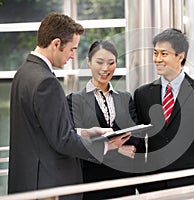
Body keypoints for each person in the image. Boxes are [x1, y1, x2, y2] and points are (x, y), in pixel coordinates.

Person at [8, 13, 130, 200]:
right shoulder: (46, 82)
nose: (73, 56)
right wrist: (106, 145)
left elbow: (43, 131)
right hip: (50, 189)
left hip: (30, 182)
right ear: (56, 44)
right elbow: (63, 140)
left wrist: (87, 133)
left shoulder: (23, 73)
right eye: (71, 49)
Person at [134, 28, 194, 193]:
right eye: (155, 53)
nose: (157, 59)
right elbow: (138, 138)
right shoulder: (142, 94)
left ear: (180, 56)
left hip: (191, 182)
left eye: (164, 54)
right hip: (153, 184)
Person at [66, 40, 145, 199]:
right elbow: (78, 142)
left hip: (124, 182)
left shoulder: (126, 98)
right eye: (99, 62)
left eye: (111, 63)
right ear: (89, 62)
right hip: (92, 183)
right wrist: (119, 148)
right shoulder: (74, 100)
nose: (105, 68)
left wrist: (105, 146)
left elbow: (137, 138)